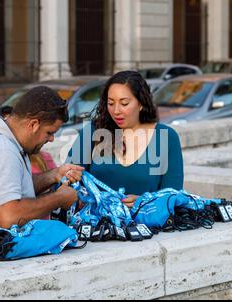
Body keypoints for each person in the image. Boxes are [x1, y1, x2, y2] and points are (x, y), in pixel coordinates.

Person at [0, 86, 84, 241]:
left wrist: (54, 175)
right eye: (49, 132)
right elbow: (9, 217)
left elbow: (13, 188)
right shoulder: (2, 150)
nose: (51, 139)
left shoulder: (8, 140)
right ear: (33, 125)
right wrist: (58, 198)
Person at [68, 70, 184, 208]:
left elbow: (173, 196)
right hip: (96, 225)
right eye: (111, 103)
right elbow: (67, 178)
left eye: (124, 103)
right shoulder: (94, 130)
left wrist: (145, 203)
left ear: (141, 103)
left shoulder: (166, 136)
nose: (116, 111)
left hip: (147, 226)